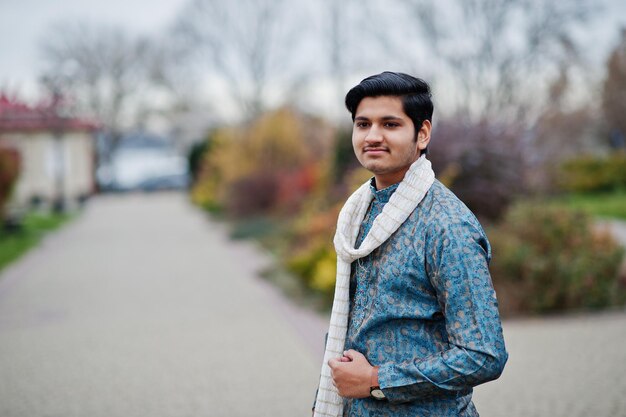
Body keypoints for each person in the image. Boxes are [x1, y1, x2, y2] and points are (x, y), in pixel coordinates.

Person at [312, 72, 508, 417]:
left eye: (389, 124)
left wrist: (377, 380)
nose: (372, 136)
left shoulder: (446, 225)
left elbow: (484, 354)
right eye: (362, 124)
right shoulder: (359, 213)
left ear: (422, 134)